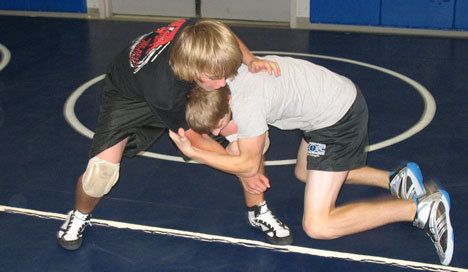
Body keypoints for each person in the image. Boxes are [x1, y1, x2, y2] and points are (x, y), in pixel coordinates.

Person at [169, 55, 454, 265]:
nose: (217, 133)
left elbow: (248, 163)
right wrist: (233, 145)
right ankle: (393, 179)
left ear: (228, 104)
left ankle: (421, 210)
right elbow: (253, 145)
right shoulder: (225, 75)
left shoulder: (248, 106)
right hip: (324, 107)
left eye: (220, 126)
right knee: (305, 173)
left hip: (339, 119)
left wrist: (197, 153)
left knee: (319, 225)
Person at [56, 19, 293, 251]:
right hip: (129, 97)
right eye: (215, 77)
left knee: (248, 140)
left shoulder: (198, 35)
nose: (223, 84)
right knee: (100, 175)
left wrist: (250, 60)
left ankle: (257, 210)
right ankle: (78, 215)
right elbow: (198, 141)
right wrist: (245, 170)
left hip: (177, 81)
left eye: (224, 75)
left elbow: (226, 38)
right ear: (193, 70)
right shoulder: (166, 91)